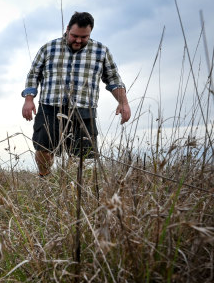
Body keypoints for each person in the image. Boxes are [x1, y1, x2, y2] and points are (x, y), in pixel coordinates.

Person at [21, 11, 131, 177]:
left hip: (84, 110)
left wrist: (123, 103)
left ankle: (75, 190)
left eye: (84, 37)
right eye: (74, 36)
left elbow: (114, 79)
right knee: (43, 149)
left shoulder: (101, 51)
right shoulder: (48, 48)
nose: (78, 40)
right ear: (67, 29)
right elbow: (33, 75)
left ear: (90, 33)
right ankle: (45, 178)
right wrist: (29, 100)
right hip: (50, 108)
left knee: (83, 158)